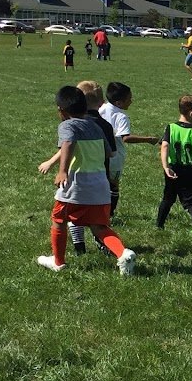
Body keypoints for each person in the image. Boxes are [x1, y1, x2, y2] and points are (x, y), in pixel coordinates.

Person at [36, 85, 137, 275]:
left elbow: (68, 142)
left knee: (59, 220)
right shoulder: (96, 126)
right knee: (99, 227)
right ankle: (123, 253)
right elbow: (110, 152)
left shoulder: (67, 125)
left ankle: (58, 262)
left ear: (61, 110)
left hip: (76, 185)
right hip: (100, 185)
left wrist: (62, 171)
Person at [66, 80, 118, 254]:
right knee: (99, 218)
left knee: (74, 212)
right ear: (102, 102)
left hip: (76, 175)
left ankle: (79, 246)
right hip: (100, 177)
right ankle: (104, 244)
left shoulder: (73, 124)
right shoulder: (105, 126)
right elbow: (111, 153)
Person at [99, 81, 158, 216]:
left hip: (99, 154)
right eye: (129, 99)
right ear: (119, 103)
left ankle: (97, 211)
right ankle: (109, 214)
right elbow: (126, 138)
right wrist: (149, 139)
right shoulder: (121, 116)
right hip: (115, 157)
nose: (131, 101)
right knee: (113, 185)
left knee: (100, 183)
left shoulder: (101, 108)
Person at [157, 94, 192, 234]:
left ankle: (159, 225)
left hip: (173, 169)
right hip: (189, 171)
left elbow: (164, 146)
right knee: (190, 203)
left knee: (168, 199)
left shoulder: (171, 128)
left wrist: (166, 167)